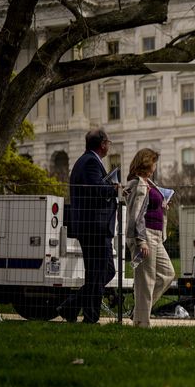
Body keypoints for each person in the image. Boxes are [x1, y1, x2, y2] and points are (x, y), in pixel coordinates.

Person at [58, 128, 118, 323]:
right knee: (99, 272)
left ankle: (71, 307)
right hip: (95, 228)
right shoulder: (90, 162)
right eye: (108, 142)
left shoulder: (86, 161)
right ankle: (88, 317)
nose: (109, 146)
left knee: (102, 272)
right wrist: (114, 188)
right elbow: (97, 190)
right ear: (102, 144)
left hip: (92, 227)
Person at [125, 148, 174, 328]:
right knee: (146, 281)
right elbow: (135, 215)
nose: (155, 166)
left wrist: (162, 206)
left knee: (168, 274)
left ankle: (138, 313)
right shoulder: (138, 184)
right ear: (147, 163)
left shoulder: (149, 182)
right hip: (146, 236)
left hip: (156, 236)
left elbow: (149, 206)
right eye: (154, 162)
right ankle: (142, 323)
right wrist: (141, 240)